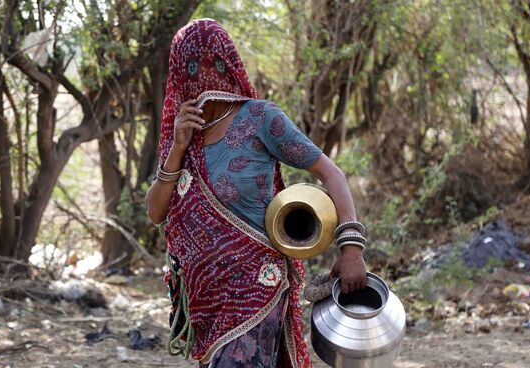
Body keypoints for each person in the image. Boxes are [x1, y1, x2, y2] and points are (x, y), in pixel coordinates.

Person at [144, 18, 367, 368]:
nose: (202, 76)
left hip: (256, 288)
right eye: (190, 67)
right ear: (176, 74)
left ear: (227, 64)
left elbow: (330, 172)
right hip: (206, 302)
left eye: (211, 63)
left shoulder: (260, 118)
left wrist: (351, 248)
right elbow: (156, 212)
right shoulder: (183, 134)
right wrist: (176, 147)